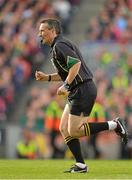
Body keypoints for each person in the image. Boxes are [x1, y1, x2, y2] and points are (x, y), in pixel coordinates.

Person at [35, 18, 128, 173]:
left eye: (43, 30)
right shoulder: (58, 46)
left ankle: (115, 125)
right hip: (78, 89)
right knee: (64, 128)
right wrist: (48, 78)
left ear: (53, 31)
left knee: (75, 131)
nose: (40, 34)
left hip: (82, 89)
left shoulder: (60, 45)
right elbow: (66, 72)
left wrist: (66, 85)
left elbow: (76, 65)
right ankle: (80, 165)